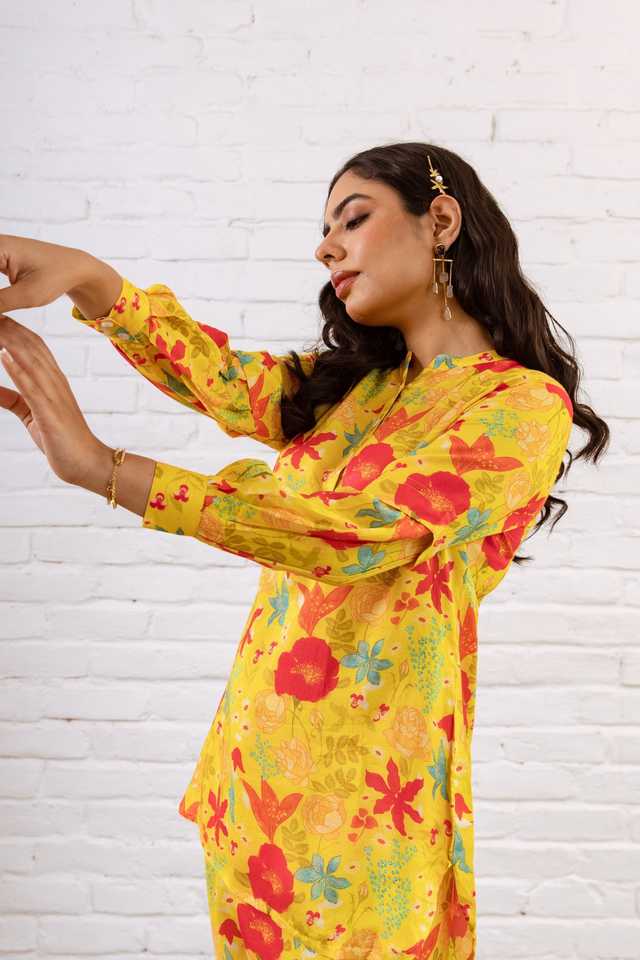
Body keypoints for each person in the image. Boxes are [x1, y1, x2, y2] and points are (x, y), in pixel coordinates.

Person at [0, 143, 609, 960]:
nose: (326, 248)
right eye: (324, 230)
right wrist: (89, 278)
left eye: (352, 220)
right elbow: (221, 378)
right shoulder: (356, 389)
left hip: (367, 821)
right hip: (249, 789)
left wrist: (105, 469)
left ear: (440, 220)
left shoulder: (521, 406)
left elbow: (348, 534)